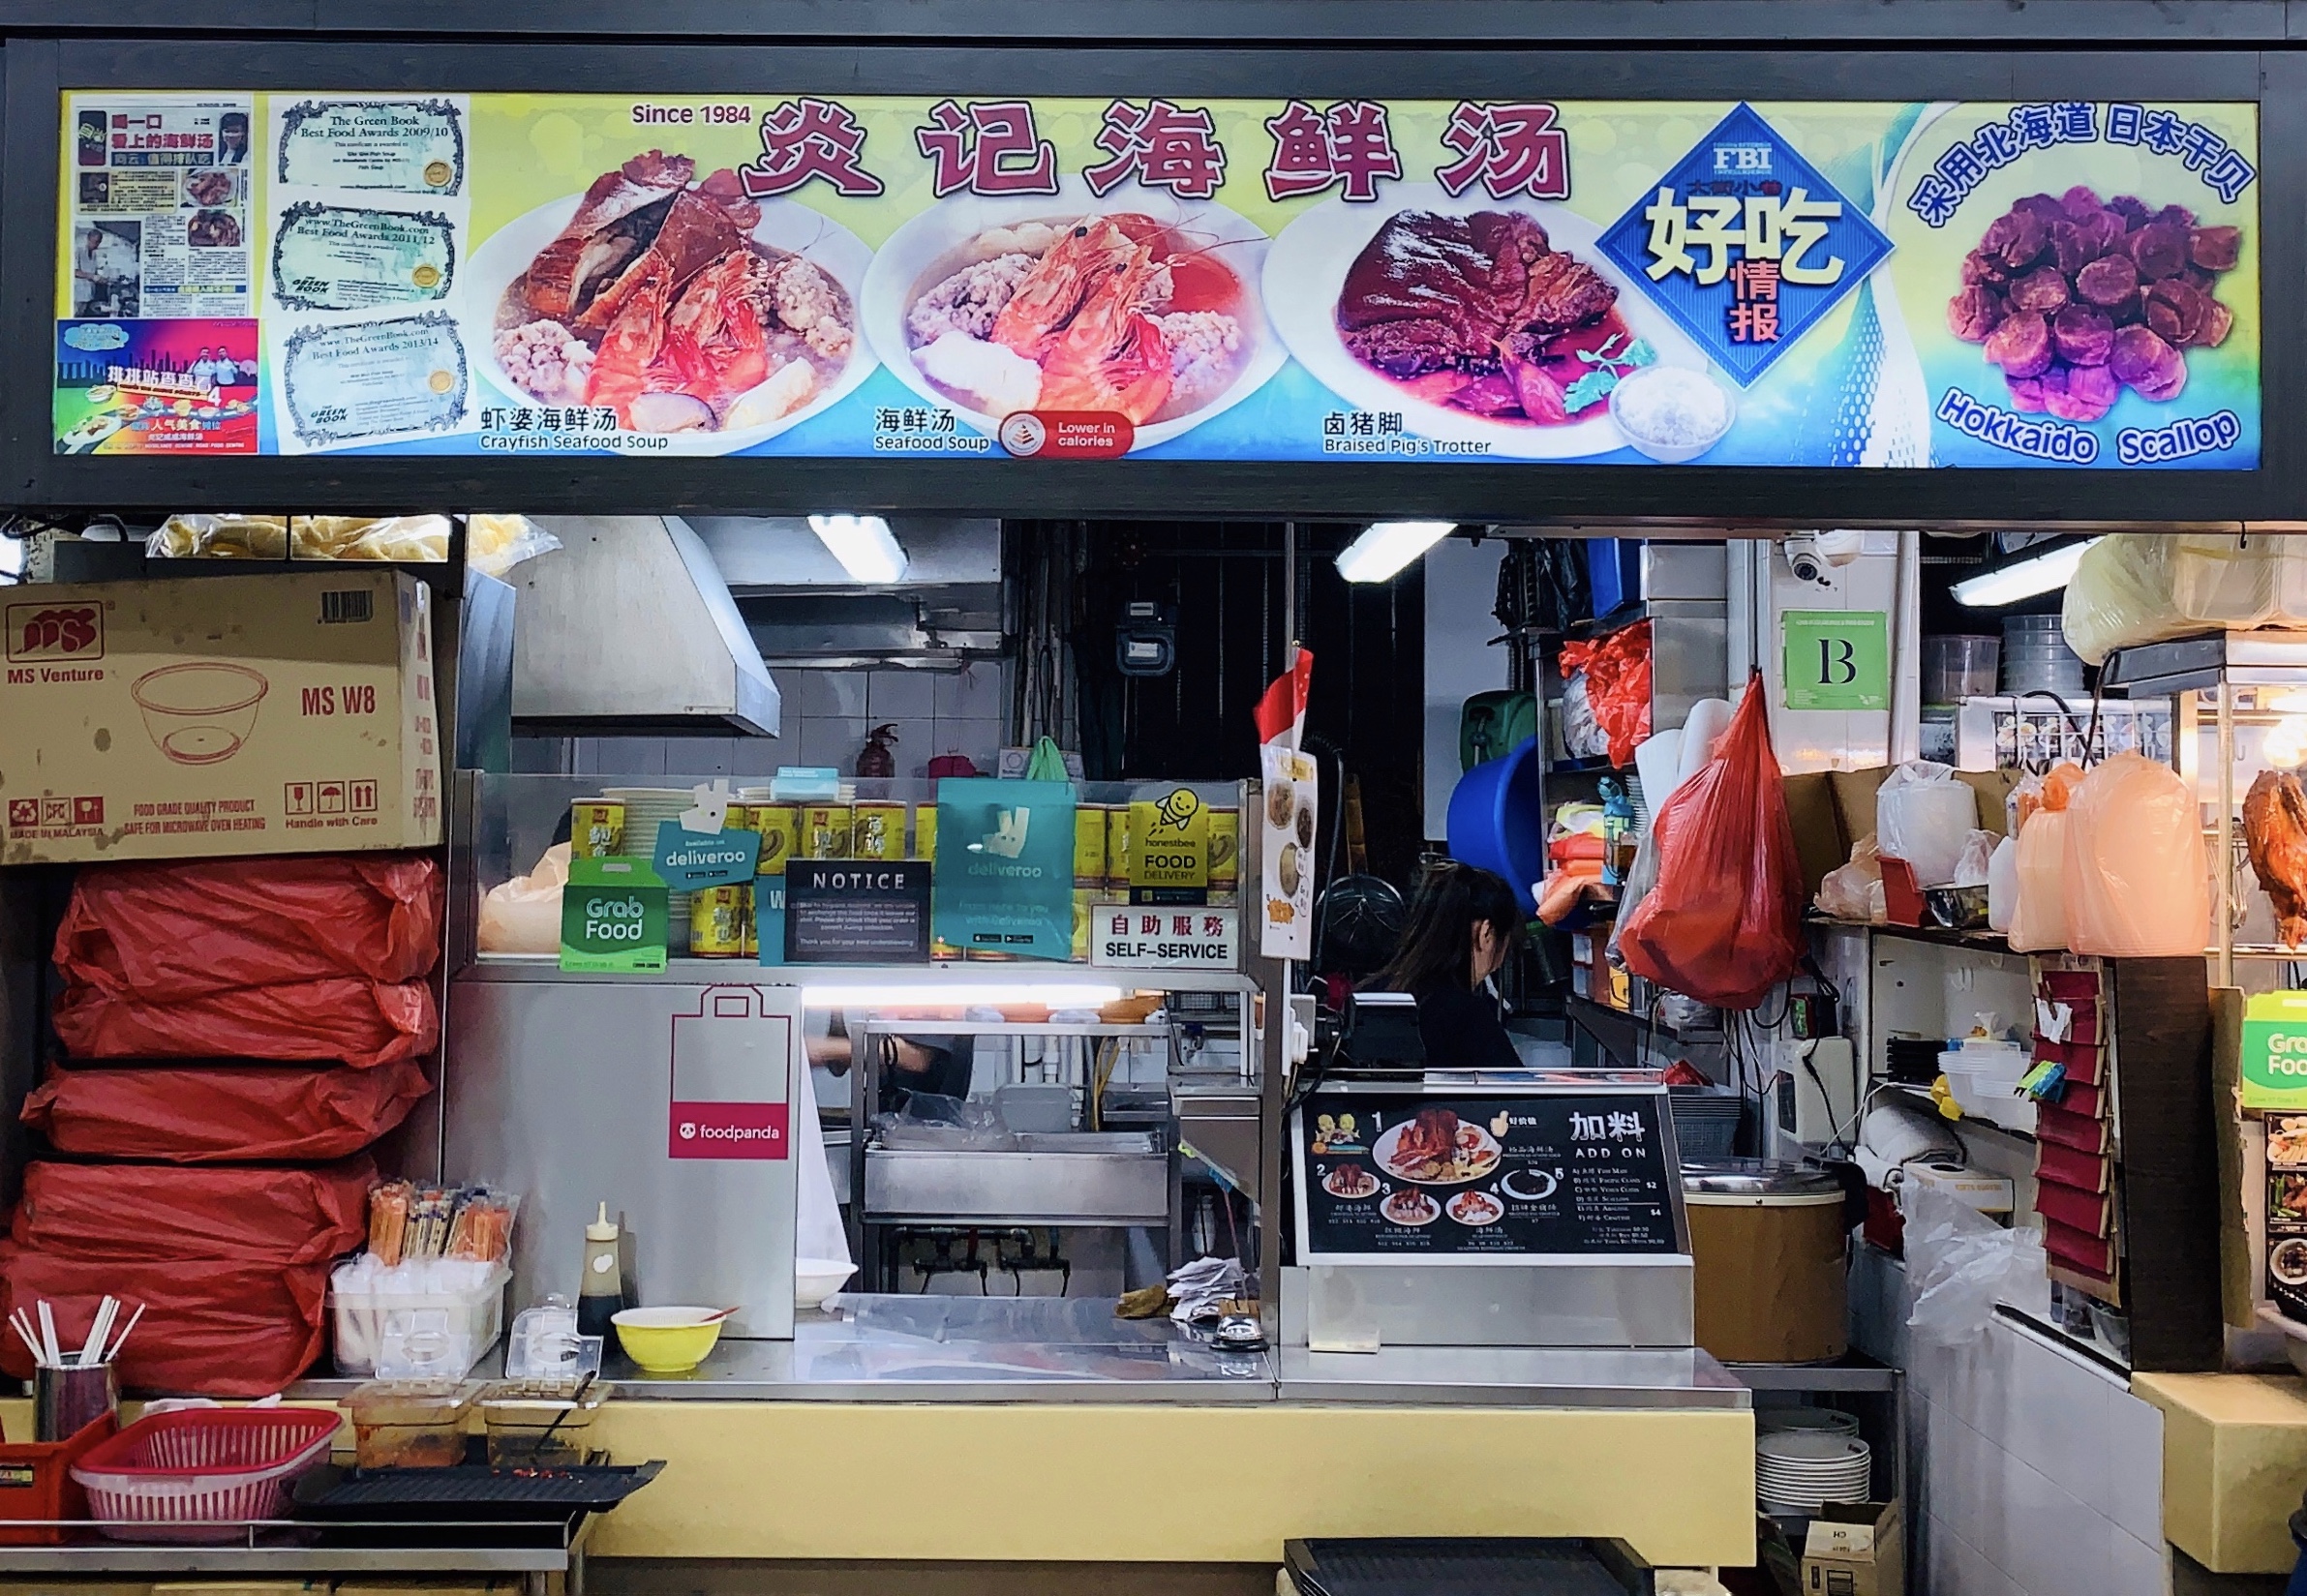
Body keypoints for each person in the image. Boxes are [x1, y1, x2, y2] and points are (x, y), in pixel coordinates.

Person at [1367, 860, 1527, 1070]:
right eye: (1506, 939)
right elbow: (1518, 1096)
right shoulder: (1468, 1017)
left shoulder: (1371, 992)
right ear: (1486, 933)